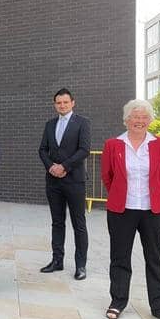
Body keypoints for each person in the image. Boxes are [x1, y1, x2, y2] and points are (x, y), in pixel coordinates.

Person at [101, 99, 160, 319]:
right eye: (135, 117)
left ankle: (159, 306)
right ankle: (118, 301)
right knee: (120, 257)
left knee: (155, 257)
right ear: (126, 120)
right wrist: (120, 194)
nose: (140, 121)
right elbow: (108, 176)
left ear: (150, 120)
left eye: (144, 117)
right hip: (122, 209)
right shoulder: (113, 145)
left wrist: (152, 195)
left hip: (153, 210)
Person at [38, 88, 90, 280]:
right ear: (55, 105)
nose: (62, 105)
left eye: (65, 102)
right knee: (57, 222)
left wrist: (64, 167)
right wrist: (51, 166)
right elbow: (42, 149)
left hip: (74, 180)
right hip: (53, 182)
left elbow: (84, 149)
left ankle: (81, 266)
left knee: (79, 223)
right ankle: (57, 261)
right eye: (58, 103)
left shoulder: (82, 123)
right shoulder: (50, 124)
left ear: (72, 103)